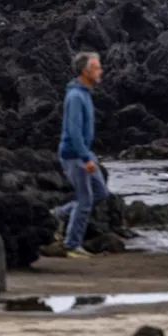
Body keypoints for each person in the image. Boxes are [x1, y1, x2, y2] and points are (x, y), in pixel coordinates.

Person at [54, 51, 108, 259]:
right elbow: (73, 131)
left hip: (84, 152)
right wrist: (86, 159)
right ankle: (72, 245)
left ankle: (57, 215)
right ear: (85, 71)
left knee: (100, 193)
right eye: (96, 68)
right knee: (85, 200)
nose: (100, 71)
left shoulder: (84, 92)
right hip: (74, 154)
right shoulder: (76, 96)